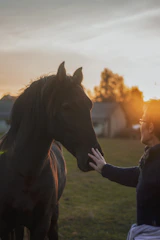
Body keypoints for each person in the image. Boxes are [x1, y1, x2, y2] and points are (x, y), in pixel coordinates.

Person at [88, 99, 160, 240]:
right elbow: (137, 175)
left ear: (150, 127)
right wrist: (104, 168)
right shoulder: (153, 160)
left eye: (142, 120)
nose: (140, 125)